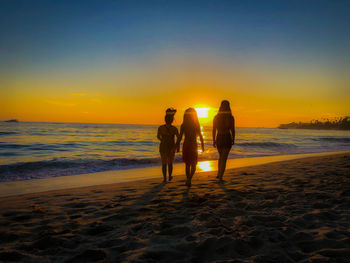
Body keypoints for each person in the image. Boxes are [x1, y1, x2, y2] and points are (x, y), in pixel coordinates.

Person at [176, 108, 204, 187]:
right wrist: (202, 145)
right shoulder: (196, 125)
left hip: (186, 145)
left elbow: (180, 137)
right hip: (193, 145)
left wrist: (176, 145)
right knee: (194, 164)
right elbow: (200, 136)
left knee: (187, 164)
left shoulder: (183, 125)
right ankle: (189, 179)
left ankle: (188, 179)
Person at [212, 100, 235, 182]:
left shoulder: (216, 117)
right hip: (227, 137)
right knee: (223, 158)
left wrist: (214, 140)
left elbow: (214, 130)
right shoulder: (231, 118)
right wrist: (233, 139)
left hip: (219, 137)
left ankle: (219, 174)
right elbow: (233, 129)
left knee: (221, 156)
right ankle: (220, 176)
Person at [157, 108, 179, 182]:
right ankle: (169, 176)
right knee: (170, 163)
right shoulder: (174, 129)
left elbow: (158, 136)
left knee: (164, 163)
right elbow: (178, 139)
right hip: (171, 147)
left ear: (165, 120)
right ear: (172, 120)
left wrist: (162, 140)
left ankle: (164, 178)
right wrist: (177, 147)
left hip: (163, 146)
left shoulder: (161, 128)